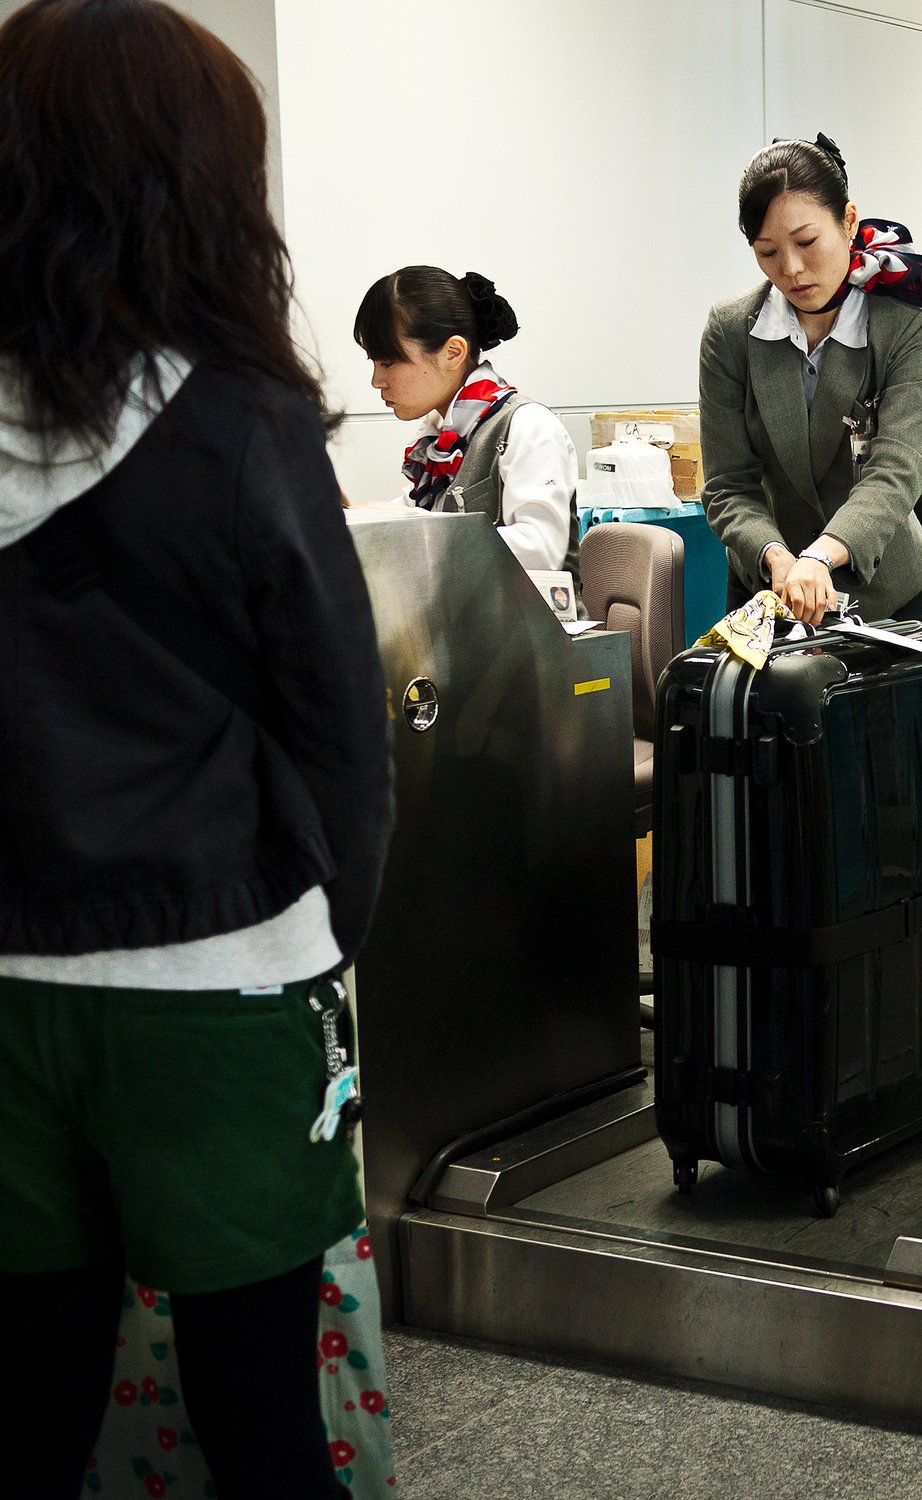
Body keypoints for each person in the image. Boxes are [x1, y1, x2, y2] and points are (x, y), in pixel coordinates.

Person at [0, 3, 395, 1497]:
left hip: (9, 995)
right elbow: (345, 738)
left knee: (26, 1419)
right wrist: (331, 940)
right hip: (220, 981)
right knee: (256, 1420)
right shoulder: (238, 421)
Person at [699, 133, 922, 625]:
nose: (791, 269)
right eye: (767, 252)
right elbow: (727, 484)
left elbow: (897, 467)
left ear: (848, 221)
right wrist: (776, 557)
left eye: (807, 242)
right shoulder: (731, 331)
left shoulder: (900, 326)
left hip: (884, 591)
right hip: (769, 590)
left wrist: (822, 555)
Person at [355, 266, 579, 577]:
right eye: (374, 362)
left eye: (389, 362)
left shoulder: (527, 425)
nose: (377, 380)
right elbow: (410, 515)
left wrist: (417, 528)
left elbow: (539, 551)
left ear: (453, 352)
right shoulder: (440, 438)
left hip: (536, 625)